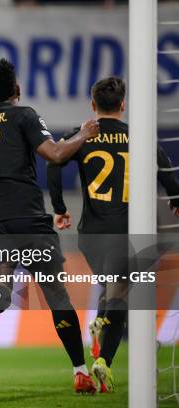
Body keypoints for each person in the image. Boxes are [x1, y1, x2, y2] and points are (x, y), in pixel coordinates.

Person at [0, 58, 100, 394]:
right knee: (56, 295)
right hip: (28, 220)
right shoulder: (24, 115)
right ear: (16, 88)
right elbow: (56, 154)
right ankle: (80, 371)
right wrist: (84, 135)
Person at [47, 76, 179, 392]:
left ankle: (101, 321)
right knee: (124, 294)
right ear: (123, 105)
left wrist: (60, 207)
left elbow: (54, 162)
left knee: (115, 287)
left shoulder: (82, 136)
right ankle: (104, 357)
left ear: (93, 105)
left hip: (90, 236)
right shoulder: (141, 138)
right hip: (127, 234)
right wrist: (175, 199)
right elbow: (169, 177)